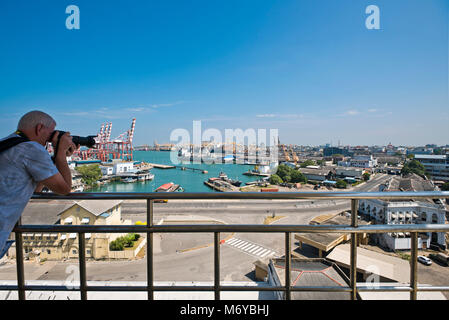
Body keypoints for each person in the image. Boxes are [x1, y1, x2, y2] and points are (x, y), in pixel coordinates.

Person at [0, 110, 78, 259]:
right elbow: (64, 189)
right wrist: (60, 153)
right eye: (50, 134)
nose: (49, 140)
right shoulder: (31, 149)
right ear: (39, 128)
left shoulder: (7, 143)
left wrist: (56, 156)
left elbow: (37, 186)